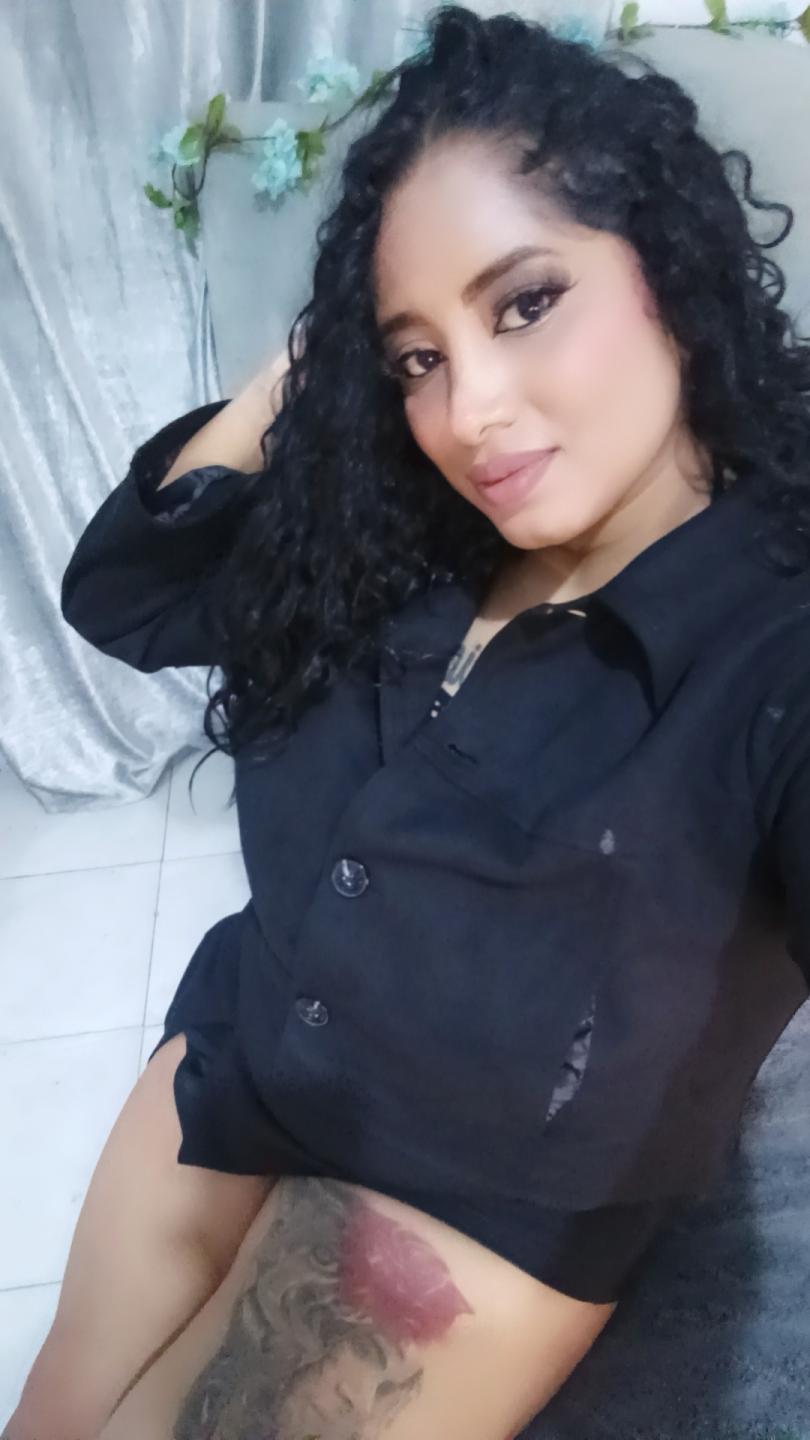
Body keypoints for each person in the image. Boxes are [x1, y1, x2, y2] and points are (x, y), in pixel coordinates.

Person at [8, 4, 810, 1437]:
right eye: (416, 358)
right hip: (243, 1051)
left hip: (451, 1203)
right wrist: (322, 367)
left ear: (669, 269)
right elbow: (127, 594)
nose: (470, 410)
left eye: (525, 303)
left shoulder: (772, 642)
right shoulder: (409, 538)